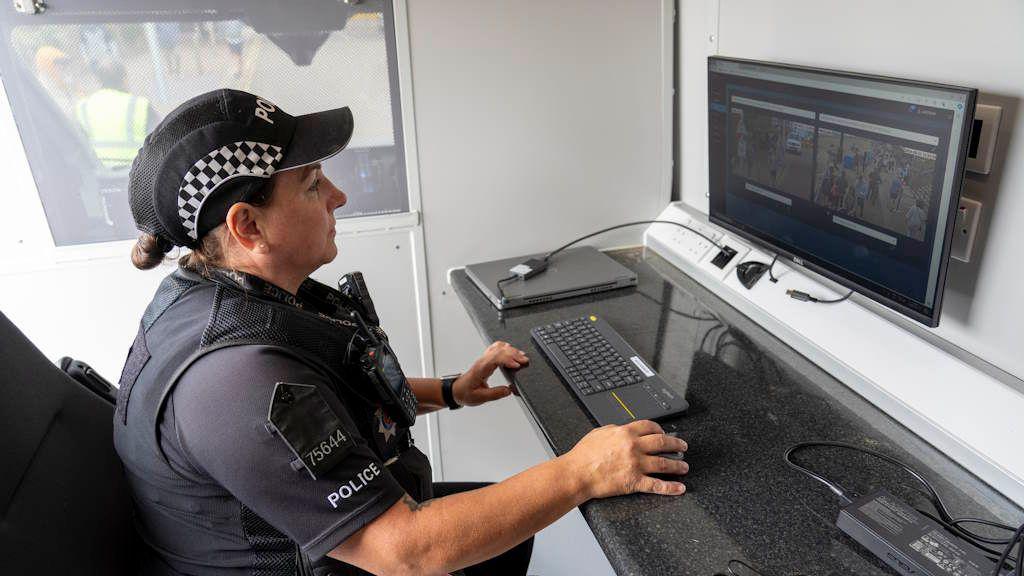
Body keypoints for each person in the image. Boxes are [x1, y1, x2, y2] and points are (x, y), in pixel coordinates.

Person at [114, 89, 690, 576]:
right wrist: (582, 471)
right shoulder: (235, 381)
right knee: (532, 512)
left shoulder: (218, 293)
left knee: (514, 539)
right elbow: (405, 552)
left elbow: (324, 403)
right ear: (248, 225)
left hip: (329, 534)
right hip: (345, 555)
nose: (338, 196)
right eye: (313, 185)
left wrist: (449, 391)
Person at [75, 60, 159, 170]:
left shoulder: (82, 107)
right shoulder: (139, 105)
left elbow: (80, 143)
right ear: (124, 79)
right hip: (137, 173)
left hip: (101, 174)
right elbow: (161, 141)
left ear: (99, 81)